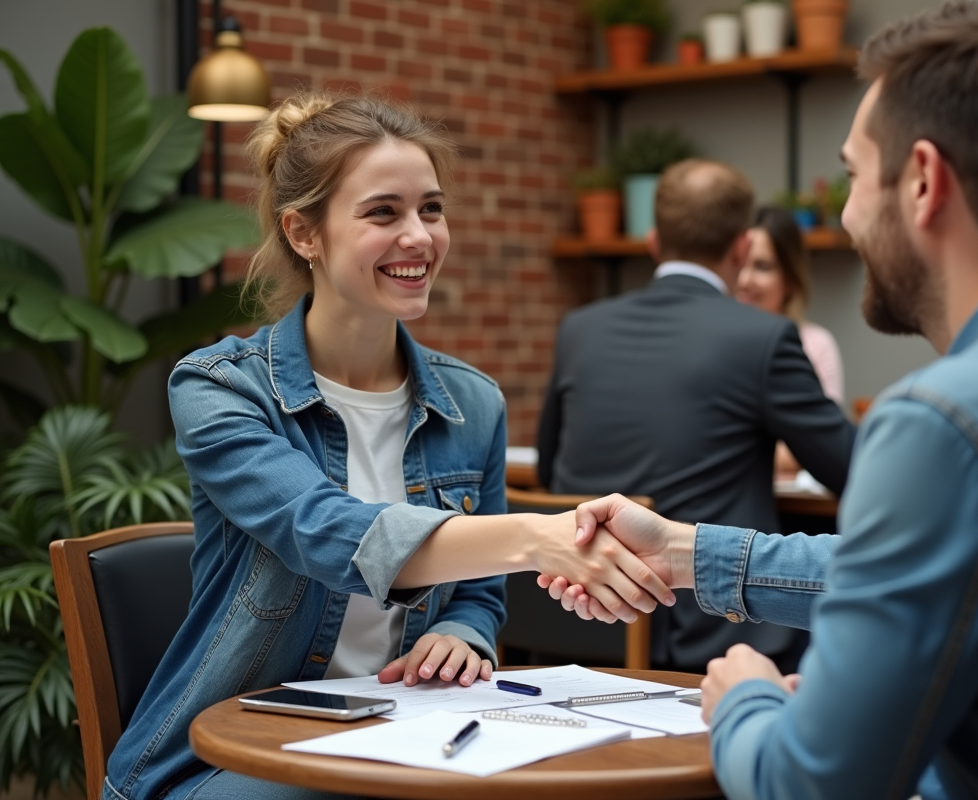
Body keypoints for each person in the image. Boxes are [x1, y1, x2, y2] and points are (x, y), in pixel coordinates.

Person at [540, 2, 978, 797]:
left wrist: (746, 697)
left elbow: (808, 785)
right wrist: (685, 554)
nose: (847, 215)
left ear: (922, 181)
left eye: (853, 175)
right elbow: (937, 573)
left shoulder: (947, 422)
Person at [102, 93, 671, 800]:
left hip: (406, 737)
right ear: (304, 234)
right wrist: (536, 537)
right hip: (227, 757)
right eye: (383, 213)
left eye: (431, 209)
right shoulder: (221, 388)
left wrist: (463, 634)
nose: (420, 237)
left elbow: (479, 593)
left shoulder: (473, 403)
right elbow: (327, 531)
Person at [536, 158, 857, 673]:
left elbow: (549, 470)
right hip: (709, 641)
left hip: (574, 627)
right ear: (742, 248)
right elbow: (850, 470)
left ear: (653, 242)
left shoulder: (580, 328)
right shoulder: (762, 337)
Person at [736, 205, 846, 476]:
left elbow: (820, 448)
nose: (744, 280)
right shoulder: (714, 344)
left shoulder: (816, 345)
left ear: (790, 279)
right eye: (739, 264)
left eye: (762, 266)